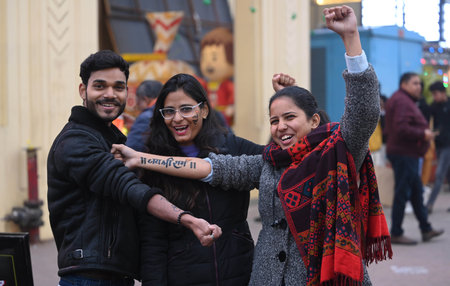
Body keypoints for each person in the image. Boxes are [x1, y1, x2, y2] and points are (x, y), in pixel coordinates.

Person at [112, 6, 392, 285]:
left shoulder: (337, 154)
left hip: (326, 276)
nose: (280, 126)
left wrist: (351, 37)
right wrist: (142, 159)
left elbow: (364, 111)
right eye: (274, 120)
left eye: (290, 117)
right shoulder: (268, 162)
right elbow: (211, 168)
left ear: (315, 120)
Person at [47, 50, 221, 286]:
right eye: (100, 86)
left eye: (118, 87)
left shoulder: (112, 139)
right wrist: (188, 219)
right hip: (89, 278)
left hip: (114, 276)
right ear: (82, 91)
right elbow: (127, 186)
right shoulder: (75, 141)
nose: (110, 94)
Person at [123, 72, 263, 285]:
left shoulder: (232, 148)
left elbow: (279, 160)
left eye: (186, 109)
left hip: (238, 273)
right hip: (183, 277)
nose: (177, 118)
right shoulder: (153, 162)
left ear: (204, 110)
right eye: (169, 111)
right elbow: (153, 243)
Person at [384, 72, 444, 245]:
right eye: (415, 83)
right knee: (402, 192)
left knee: (417, 192)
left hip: (407, 153)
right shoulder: (402, 101)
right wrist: (423, 133)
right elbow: (401, 128)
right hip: (404, 154)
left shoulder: (404, 100)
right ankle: (396, 232)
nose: (419, 86)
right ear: (404, 84)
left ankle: (426, 228)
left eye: (420, 83)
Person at [425, 81, 450, 213]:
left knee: (439, 174)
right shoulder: (434, 107)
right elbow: (427, 120)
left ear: (442, 92)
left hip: (448, 145)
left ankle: (429, 204)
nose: (434, 96)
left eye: (435, 93)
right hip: (439, 145)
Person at [126, 80, 163, 152]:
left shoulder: (145, 117)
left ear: (145, 99)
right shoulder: (167, 111)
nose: (136, 106)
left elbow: (131, 148)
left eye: (138, 102)